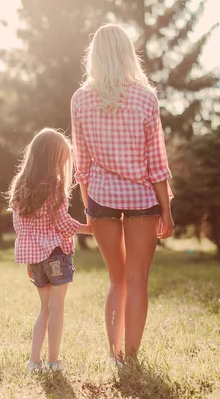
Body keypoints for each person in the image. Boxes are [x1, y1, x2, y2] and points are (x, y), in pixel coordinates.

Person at [70, 24, 175, 363]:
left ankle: (115, 356)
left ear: (95, 56)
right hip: (143, 202)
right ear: (128, 53)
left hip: (101, 199)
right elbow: (157, 163)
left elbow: (82, 162)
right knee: (137, 280)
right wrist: (167, 211)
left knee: (116, 281)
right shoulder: (145, 97)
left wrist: (89, 207)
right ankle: (130, 356)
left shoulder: (81, 99)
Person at [7, 128, 93, 373]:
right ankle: (54, 362)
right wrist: (91, 229)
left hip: (35, 259)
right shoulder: (54, 185)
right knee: (57, 307)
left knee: (44, 309)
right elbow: (62, 223)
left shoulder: (21, 185)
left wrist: (29, 260)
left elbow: (20, 226)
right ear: (53, 159)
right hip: (55, 253)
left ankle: (34, 362)